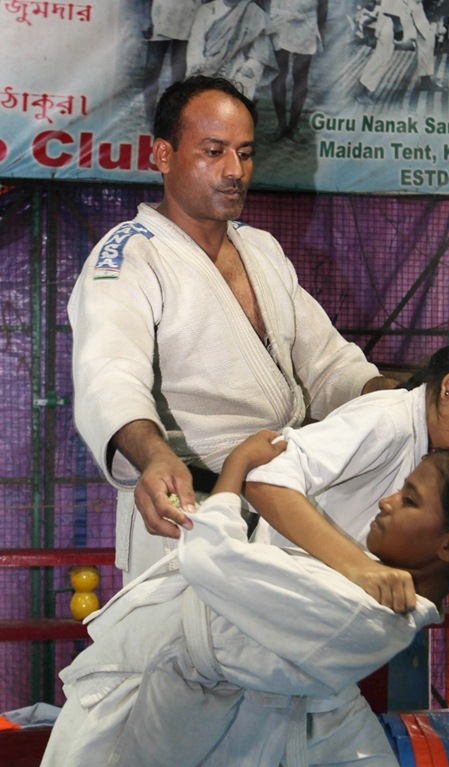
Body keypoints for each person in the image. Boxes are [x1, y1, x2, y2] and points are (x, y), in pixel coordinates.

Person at [30, 433, 449, 767]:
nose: (386, 500)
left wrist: (239, 465)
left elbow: (211, 561)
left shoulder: (361, 612)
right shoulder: (373, 594)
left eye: (409, 500)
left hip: (138, 708)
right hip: (172, 703)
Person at [68, 75, 393, 583]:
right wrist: (153, 456)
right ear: (163, 155)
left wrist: (392, 396)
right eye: (214, 151)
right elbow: (109, 373)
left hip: (282, 502)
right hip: (183, 508)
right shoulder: (130, 255)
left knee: (274, 660)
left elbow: (328, 363)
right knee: (184, 660)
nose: (234, 170)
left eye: (245, 153)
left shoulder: (261, 249)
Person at [243, 322, 449, 767]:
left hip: (307, 660)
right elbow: (267, 477)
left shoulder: (427, 451)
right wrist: (359, 566)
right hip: (263, 636)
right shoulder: (388, 421)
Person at [356, 0, 445, 104]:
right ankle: (362, 89)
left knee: (427, 38)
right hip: (392, 11)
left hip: (413, 6)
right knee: (384, 51)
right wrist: (397, 25)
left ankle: (426, 80)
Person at [185, 0, 278, 101]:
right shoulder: (206, 10)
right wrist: (197, 63)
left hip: (239, 64)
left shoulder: (255, 12)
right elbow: (196, 43)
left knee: (244, 82)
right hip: (208, 63)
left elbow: (261, 51)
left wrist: (251, 66)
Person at [267, 0, 328, 143]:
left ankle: (293, 127)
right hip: (281, 20)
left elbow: (323, 3)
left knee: (300, 76)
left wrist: (321, 28)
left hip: (307, 23)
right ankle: (281, 125)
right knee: (279, 74)